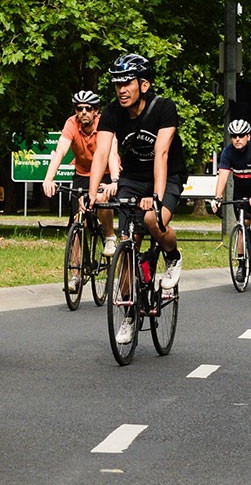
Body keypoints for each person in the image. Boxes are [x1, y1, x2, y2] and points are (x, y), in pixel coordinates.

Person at [88, 53, 186, 346]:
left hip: (166, 175)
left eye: (126, 83)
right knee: (127, 244)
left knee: (151, 219)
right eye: (117, 84)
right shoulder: (111, 112)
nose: (121, 89)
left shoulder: (164, 108)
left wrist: (155, 198)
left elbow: (162, 154)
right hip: (131, 177)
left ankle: (172, 256)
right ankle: (130, 315)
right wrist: (92, 195)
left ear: (143, 84)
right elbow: (101, 154)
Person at [42, 90, 120, 291]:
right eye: (79, 109)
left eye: (89, 108)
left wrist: (114, 180)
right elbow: (60, 151)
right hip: (82, 174)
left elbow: (111, 153)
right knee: (78, 221)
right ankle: (76, 275)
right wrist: (48, 179)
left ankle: (110, 236)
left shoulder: (105, 124)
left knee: (102, 199)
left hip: (104, 173)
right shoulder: (71, 124)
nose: (84, 112)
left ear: (96, 111)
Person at [210, 119, 251, 281]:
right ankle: (241, 263)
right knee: (242, 226)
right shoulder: (228, 152)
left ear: (248, 136)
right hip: (240, 189)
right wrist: (217, 198)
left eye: (241, 135)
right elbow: (223, 176)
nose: (237, 139)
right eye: (234, 136)